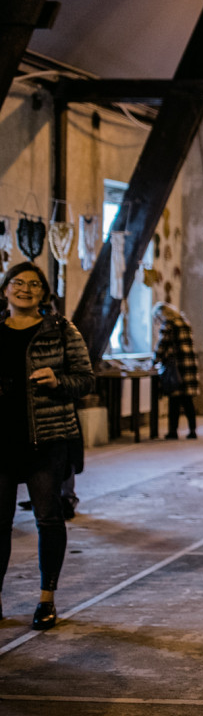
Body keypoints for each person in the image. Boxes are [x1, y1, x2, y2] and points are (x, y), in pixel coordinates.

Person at [0, 262, 94, 630]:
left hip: (47, 438)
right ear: (6, 288)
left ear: (44, 293)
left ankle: (46, 599)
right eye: (17, 282)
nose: (25, 289)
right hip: (2, 439)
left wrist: (58, 381)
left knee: (48, 518)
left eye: (34, 284)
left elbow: (86, 379)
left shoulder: (61, 330)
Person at [152, 303, 200, 440]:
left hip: (176, 368)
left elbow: (162, 346)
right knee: (188, 401)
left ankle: (173, 431)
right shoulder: (184, 322)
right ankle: (192, 431)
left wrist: (153, 362)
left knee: (174, 401)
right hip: (189, 366)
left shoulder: (169, 324)